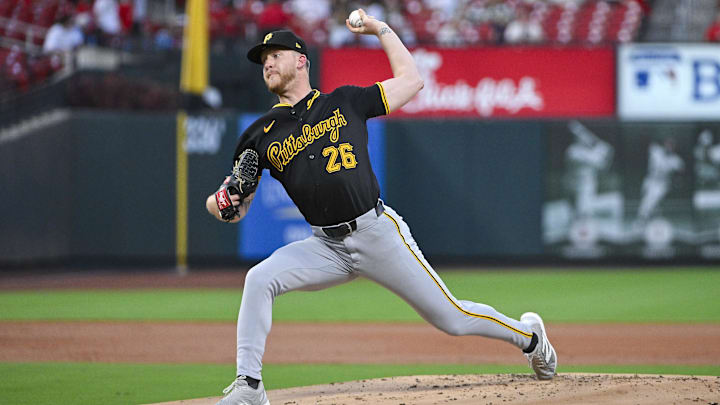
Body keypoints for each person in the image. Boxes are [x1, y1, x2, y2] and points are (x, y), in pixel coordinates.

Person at [205, 10, 557, 405]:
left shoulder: (346, 101)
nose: (267, 62)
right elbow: (235, 208)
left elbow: (413, 81)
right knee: (259, 279)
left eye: (275, 53)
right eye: (262, 58)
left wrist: (380, 29)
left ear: (301, 60)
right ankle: (249, 387)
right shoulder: (259, 133)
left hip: (376, 232)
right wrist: (223, 201)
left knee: (452, 318)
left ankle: (531, 338)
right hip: (326, 247)